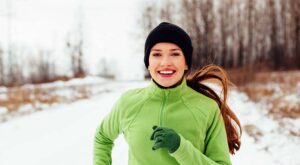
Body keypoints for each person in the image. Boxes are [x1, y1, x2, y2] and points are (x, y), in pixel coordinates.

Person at [94, 22, 241, 165]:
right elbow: (102, 137)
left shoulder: (207, 108)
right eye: (157, 54)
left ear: (186, 63)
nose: (165, 62)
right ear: (148, 63)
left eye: (175, 54)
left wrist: (181, 148)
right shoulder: (129, 102)